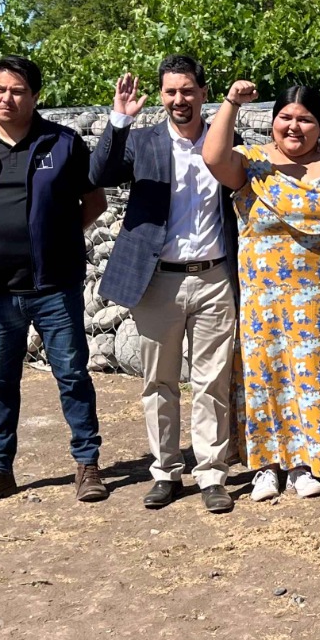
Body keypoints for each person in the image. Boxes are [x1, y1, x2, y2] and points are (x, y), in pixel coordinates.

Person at [0, 56, 109, 508]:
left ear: (34, 96)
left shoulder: (64, 144)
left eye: (17, 91)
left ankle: (87, 465)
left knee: (72, 375)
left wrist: (58, 238)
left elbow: (94, 202)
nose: (7, 99)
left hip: (54, 287)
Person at [203, 81, 320, 501]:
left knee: (318, 382)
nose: (294, 126)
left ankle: (307, 464)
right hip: (267, 304)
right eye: (285, 117)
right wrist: (231, 103)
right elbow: (212, 157)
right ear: (273, 122)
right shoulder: (251, 163)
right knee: (269, 381)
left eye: (305, 119)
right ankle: (268, 465)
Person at [90, 55, 239, 514]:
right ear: (161, 95)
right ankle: (165, 472)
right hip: (158, 282)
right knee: (158, 382)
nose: (179, 99)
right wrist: (119, 119)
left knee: (212, 382)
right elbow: (98, 174)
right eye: (171, 91)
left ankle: (211, 473)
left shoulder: (225, 140)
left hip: (214, 278)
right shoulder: (142, 142)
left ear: (203, 92)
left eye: (187, 90)